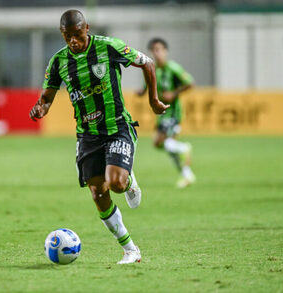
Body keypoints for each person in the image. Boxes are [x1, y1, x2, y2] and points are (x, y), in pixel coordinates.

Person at [29, 10, 169, 264]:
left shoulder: (107, 47)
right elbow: (47, 98)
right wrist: (41, 108)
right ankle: (130, 249)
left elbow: (147, 63)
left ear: (87, 28)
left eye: (77, 35)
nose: (73, 41)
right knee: (98, 194)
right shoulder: (59, 62)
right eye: (67, 36)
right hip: (87, 136)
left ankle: (127, 180)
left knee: (115, 183)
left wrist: (153, 99)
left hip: (117, 127)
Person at [137, 38, 195, 188]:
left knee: (161, 142)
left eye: (159, 50)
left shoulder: (173, 68)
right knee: (164, 145)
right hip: (162, 114)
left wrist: (174, 93)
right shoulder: (152, 69)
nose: (156, 53)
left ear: (165, 51)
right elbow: (147, 85)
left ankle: (184, 150)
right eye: (154, 50)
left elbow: (190, 83)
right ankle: (187, 175)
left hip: (173, 113)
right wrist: (142, 91)